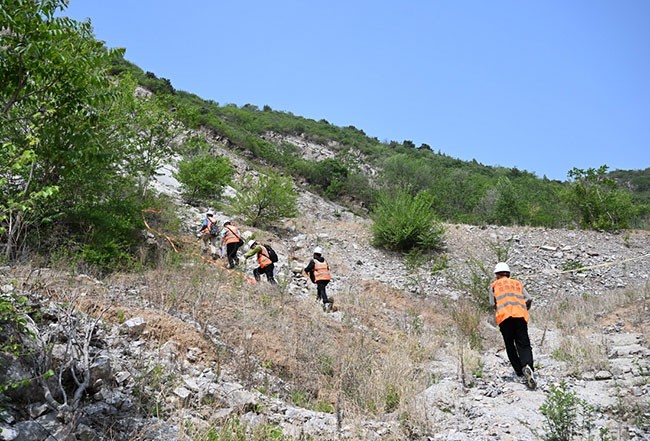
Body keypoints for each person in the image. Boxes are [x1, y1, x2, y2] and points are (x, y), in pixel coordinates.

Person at [489, 262, 536, 389]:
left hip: (505, 318)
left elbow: (492, 303)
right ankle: (528, 366)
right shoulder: (517, 283)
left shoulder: (494, 285)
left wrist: (498, 307)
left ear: (497, 275)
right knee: (524, 344)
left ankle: (520, 372)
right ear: (508, 274)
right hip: (520, 316)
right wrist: (526, 308)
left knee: (510, 345)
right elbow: (529, 298)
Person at [303, 247, 332, 312]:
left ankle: (326, 303)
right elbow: (327, 268)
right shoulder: (324, 261)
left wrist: (307, 272)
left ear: (314, 254)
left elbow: (307, 269)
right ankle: (318, 299)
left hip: (320, 278)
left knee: (322, 290)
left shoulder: (314, 261)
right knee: (320, 288)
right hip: (327, 278)